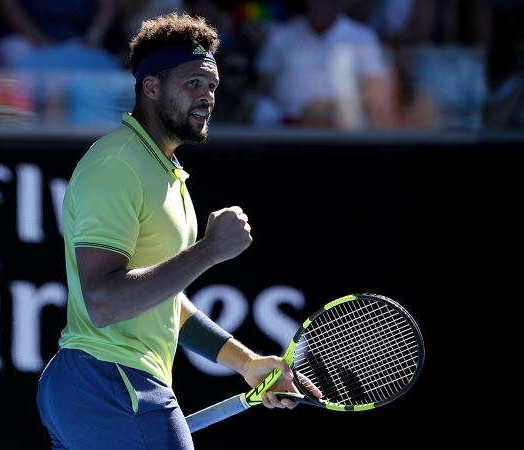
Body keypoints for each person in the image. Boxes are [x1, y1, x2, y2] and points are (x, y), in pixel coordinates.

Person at [35, 12, 315, 450]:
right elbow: (103, 302)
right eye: (193, 83)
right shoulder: (117, 165)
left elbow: (162, 300)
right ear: (151, 87)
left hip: (101, 389)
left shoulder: (164, 172)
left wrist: (245, 362)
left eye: (212, 86)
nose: (207, 97)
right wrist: (208, 250)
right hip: (111, 383)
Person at [253, 0, 393, 129]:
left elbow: (376, 93)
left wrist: (329, 108)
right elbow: (261, 88)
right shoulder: (281, 35)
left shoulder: (363, 36)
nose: (316, 6)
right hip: (286, 130)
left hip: (343, 128)